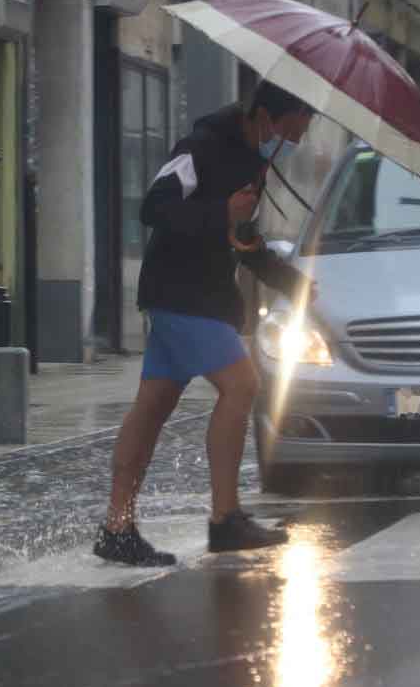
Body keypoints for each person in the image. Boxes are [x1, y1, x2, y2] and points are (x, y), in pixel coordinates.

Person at [95, 83, 318, 566]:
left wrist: (293, 283)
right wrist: (222, 212)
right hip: (181, 294)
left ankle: (118, 527)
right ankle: (225, 518)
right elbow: (153, 207)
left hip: (204, 297)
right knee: (242, 385)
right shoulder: (201, 147)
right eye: (288, 132)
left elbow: (243, 242)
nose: (290, 144)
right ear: (263, 116)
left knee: (152, 409)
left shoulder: (250, 162)